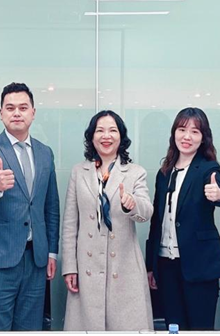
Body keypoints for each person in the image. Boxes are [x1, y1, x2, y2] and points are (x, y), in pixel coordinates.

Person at [0, 82, 60, 331]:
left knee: (30, 329)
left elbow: (51, 207)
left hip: (35, 259)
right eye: (10, 108)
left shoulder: (45, 152)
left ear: (33, 112)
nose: (17, 113)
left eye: (23, 107)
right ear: (1, 113)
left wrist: (51, 252)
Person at [61, 110, 153, 331]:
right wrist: (70, 267)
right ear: (91, 136)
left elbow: (146, 212)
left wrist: (131, 204)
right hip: (87, 267)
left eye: (113, 130)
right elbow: (70, 224)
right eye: (100, 130)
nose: (106, 136)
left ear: (121, 136)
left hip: (124, 267)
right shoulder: (79, 172)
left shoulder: (135, 172)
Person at [146, 107, 220, 330]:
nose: (187, 136)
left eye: (195, 131)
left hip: (199, 265)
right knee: (174, 327)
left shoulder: (208, 168)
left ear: (203, 138)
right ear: (174, 133)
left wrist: (219, 194)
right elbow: (156, 221)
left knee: (200, 329)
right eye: (182, 130)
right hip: (166, 265)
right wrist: (150, 265)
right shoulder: (164, 173)